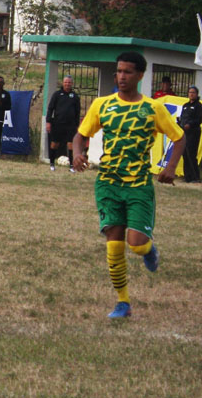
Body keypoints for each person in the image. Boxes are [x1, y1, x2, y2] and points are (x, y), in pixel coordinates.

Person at [72, 52, 185, 319]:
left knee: (136, 245)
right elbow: (80, 135)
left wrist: (170, 167)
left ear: (140, 75)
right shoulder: (102, 104)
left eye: (127, 72)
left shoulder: (152, 108)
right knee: (113, 243)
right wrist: (78, 153)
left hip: (138, 185)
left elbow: (179, 138)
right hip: (108, 183)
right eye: (119, 71)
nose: (121, 76)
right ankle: (123, 302)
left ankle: (148, 249)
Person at [46, 75, 81, 172]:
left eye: (69, 82)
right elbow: (50, 108)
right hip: (58, 123)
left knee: (71, 144)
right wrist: (48, 121)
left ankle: (71, 166)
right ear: (63, 83)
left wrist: (77, 125)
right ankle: (52, 164)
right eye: (66, 82)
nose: (67, 84)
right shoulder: (57, 94)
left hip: (70, 125)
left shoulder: (75, 96)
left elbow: (77, 112)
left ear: (72, 84)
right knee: (54, 144)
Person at [179, 86, 201, 183]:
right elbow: (182, 117)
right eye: (190, 92)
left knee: (191, 154)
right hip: (184, 132)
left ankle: (195, 177)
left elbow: (199, 119)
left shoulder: (198, 106)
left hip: (193, 132)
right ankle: (187, 176)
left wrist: (190, 124)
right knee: (185, 153)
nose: (191, 94)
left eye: (193, 92)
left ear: (196, 94)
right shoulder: (185, 105)